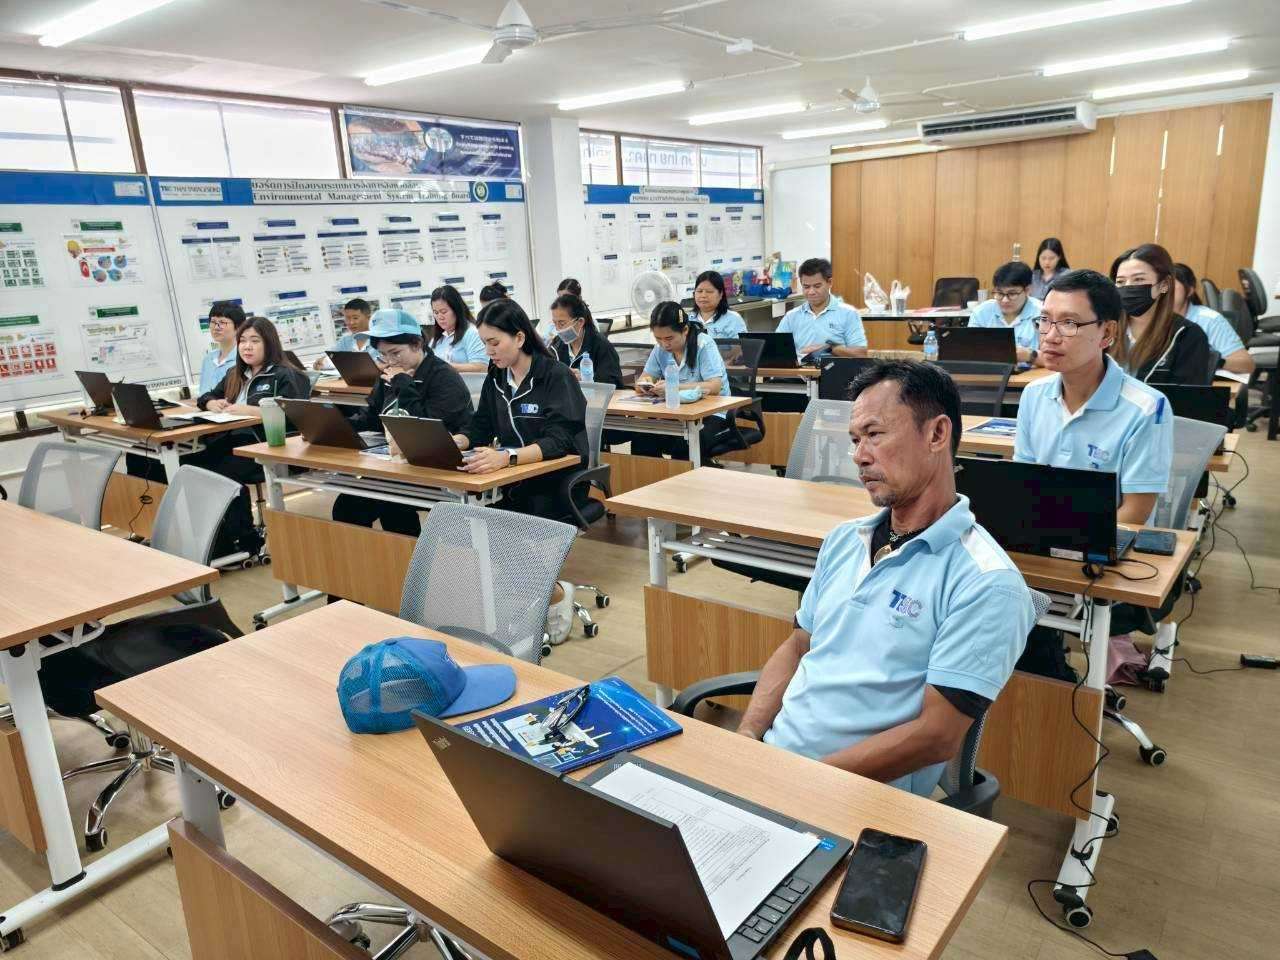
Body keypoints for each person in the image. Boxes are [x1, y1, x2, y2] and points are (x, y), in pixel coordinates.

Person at [735, 361, 1035, 796]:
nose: (859, 455)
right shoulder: (845, 539)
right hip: (775, 769)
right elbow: (799, 646)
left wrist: (805, 783)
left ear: (937, 434)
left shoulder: (986, 582)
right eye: (855, 440)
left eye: (874, 434)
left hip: (857, 797)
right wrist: (747, 737)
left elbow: (936, 736)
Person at [452, 299, 589, 645]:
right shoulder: (497, 377)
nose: (489, 351)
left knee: (495, 526)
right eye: (484, 343)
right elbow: (481, 425)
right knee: (471, 524)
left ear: (519, 337)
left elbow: (561, 441)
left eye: (494, 342)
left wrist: (507, 458)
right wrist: (455, 441)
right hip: (515, 479)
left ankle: (554, 594)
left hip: (558, 481)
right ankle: (542, 591)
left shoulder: (554, 376)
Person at [1015, 269, 1173, 525]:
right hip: (1041, 534)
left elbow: (1135, 514)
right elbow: (1023, 482)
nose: (1050, 337)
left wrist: (1067, 541)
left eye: (1069, 323)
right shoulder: (1033, 394)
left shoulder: (1147, 408)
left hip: (1109, 541)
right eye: (1044, 320)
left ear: (1107, 333)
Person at [331, 309, 475, 538]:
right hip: (398, 465)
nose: (389, 362)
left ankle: (411, 557)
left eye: (395, 353)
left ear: (417, 344)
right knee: (347, 507)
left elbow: (425, 429)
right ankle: (381, 558)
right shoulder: (389, 375)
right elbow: (372, 417)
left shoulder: (443, 377)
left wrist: (404, 384)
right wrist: (337, 426)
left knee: (390, 503)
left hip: (438, 468)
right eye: (383, 355)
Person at [194, 316, 311, 557]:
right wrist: (211, 403)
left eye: (255, 341)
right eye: (243, 341)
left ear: (269, 343)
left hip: (269, 446)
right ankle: (213, 539)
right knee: (191, 465)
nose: (247, 347)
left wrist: (250, 410)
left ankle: (244, 540)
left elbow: (297, 416)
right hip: (233, 442)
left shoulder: (287, 374)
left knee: (221, 473)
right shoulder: (235, 373)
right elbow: (205, 397)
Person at [629, 302, 731, 462]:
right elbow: (645, 377)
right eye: (658, 339)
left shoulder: (703, 344)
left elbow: (714, 386)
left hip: (712, 414)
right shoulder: (660, 350)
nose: (664, 344)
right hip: (677, 412)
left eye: (669, 338)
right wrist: (645, 384)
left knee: (684, 445)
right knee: (642, 439)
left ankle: (696, 475)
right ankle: (655, 478)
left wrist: (673, 387)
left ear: (685, 330)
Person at [1110, 244, 1211, 385]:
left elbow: (1187, 396)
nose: (1127, 286)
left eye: (1139, 279)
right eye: (1120, 281)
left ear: (1164, 285)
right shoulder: (1105, 327)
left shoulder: (1187, 335)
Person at [1172, 262, 1255, 377]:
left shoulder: (1209, 320)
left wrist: (1212, 360)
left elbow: (1247, 364)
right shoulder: (1149, 318)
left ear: (1190, 290)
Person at [777, 257, 867, 360]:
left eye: (817, 286)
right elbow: (775, 348)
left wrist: (830, 348)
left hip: (834, 368)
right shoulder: (791, 316)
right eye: (806, 287)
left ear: (830, 282)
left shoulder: (848, 314)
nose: (811, 292)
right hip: (799, 369)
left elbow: (861, 354)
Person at [968, 261, 1043, 366]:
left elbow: (1054, 359)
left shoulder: (1042, 313)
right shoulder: (981, 312)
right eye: (999, 293)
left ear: (1027, 290)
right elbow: (969, 351)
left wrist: (1029, 356)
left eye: (1012, 294)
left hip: (1030, 374)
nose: (1004, 300)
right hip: (988, 373)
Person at [549, 293, 623, 388]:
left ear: (580, 322)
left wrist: (586, 380)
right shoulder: (556, 345)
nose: (558, 329)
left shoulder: (601, 345)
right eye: (555, 323)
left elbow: (614, 384)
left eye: (562, 323)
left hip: (594, 396)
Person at [428, 285, 488, 371]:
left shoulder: (472, 333)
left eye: (444, 312)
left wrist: (445, 368)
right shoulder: (437, 339)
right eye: (436, 313)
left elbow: (482, 367)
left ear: (456, 310)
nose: (440, 317)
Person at [315, 298, 379, 369]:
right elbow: (330, 357)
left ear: (369, 318)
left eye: (355, 318)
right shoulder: (345, 341)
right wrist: (322, 361)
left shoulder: (381, 340)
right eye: (347, 318)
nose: (351, 322)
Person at [199, 301, 246, 393]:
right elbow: (203, 394)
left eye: (222, 322)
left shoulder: (244, 358)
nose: (216, 327)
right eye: (213, 322)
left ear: (238, 327)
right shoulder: (208, 359)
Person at [692, 270, 746, 339]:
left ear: (720, 294)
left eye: (709, 291)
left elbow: (742, 345)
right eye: (699, 291)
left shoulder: (733, 319)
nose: (703, 295)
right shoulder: (688, 319)